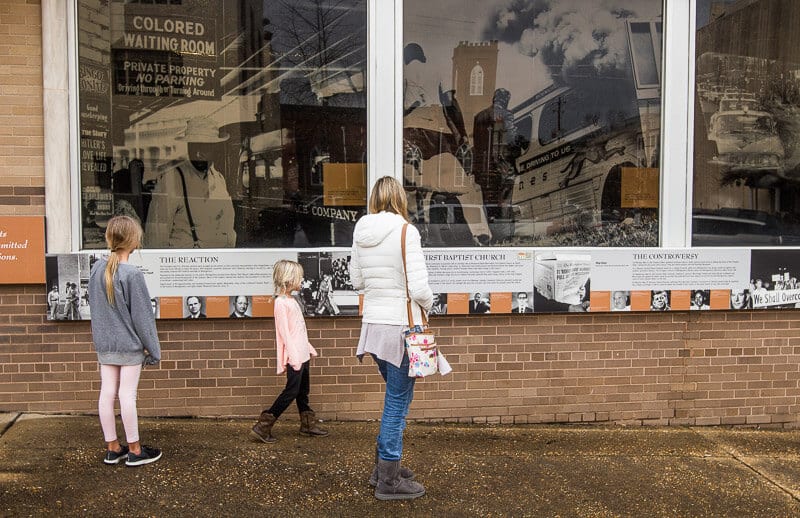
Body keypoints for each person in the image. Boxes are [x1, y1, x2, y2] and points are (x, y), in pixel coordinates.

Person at [350, 176, 433, 501]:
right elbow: (420, 288)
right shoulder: (405, 231)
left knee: (397, 397)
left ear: (374, 199)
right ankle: (388, 480)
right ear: (399, 198)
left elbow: (357, 280)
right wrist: (430, 304)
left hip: (373, 327)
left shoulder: (361, 229)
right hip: (401, 327)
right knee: (397, 402)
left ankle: (384, 468)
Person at [87, 215, 162, 467]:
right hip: (129, 347)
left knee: (107, 393)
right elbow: (143, 318)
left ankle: (113, 448)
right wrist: (154, 350)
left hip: (105, 345)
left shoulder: (96, 269)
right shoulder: (132, 274)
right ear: (134, 241)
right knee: (127, 395)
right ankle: (135, 451)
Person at [251, 260, 328, 443]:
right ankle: (263, 426)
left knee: (303, 391)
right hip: (295, 356)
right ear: (289, 279)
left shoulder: (292, 300)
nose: (302, 280)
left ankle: (307, 425)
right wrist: (293, 357)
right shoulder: (281, 303)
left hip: (302, 353)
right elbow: (285, 333)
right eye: (299, 278)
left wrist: (307, 347)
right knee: (291, 391)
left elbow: (298, 329)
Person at [144, 117, 236, 248]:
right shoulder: (172, 179)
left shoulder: (219, 179)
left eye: (204, 147)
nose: (197, 154)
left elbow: (228, 229)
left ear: (215, 148)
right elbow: (155, 237)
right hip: (183, 259)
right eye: (193, 146)